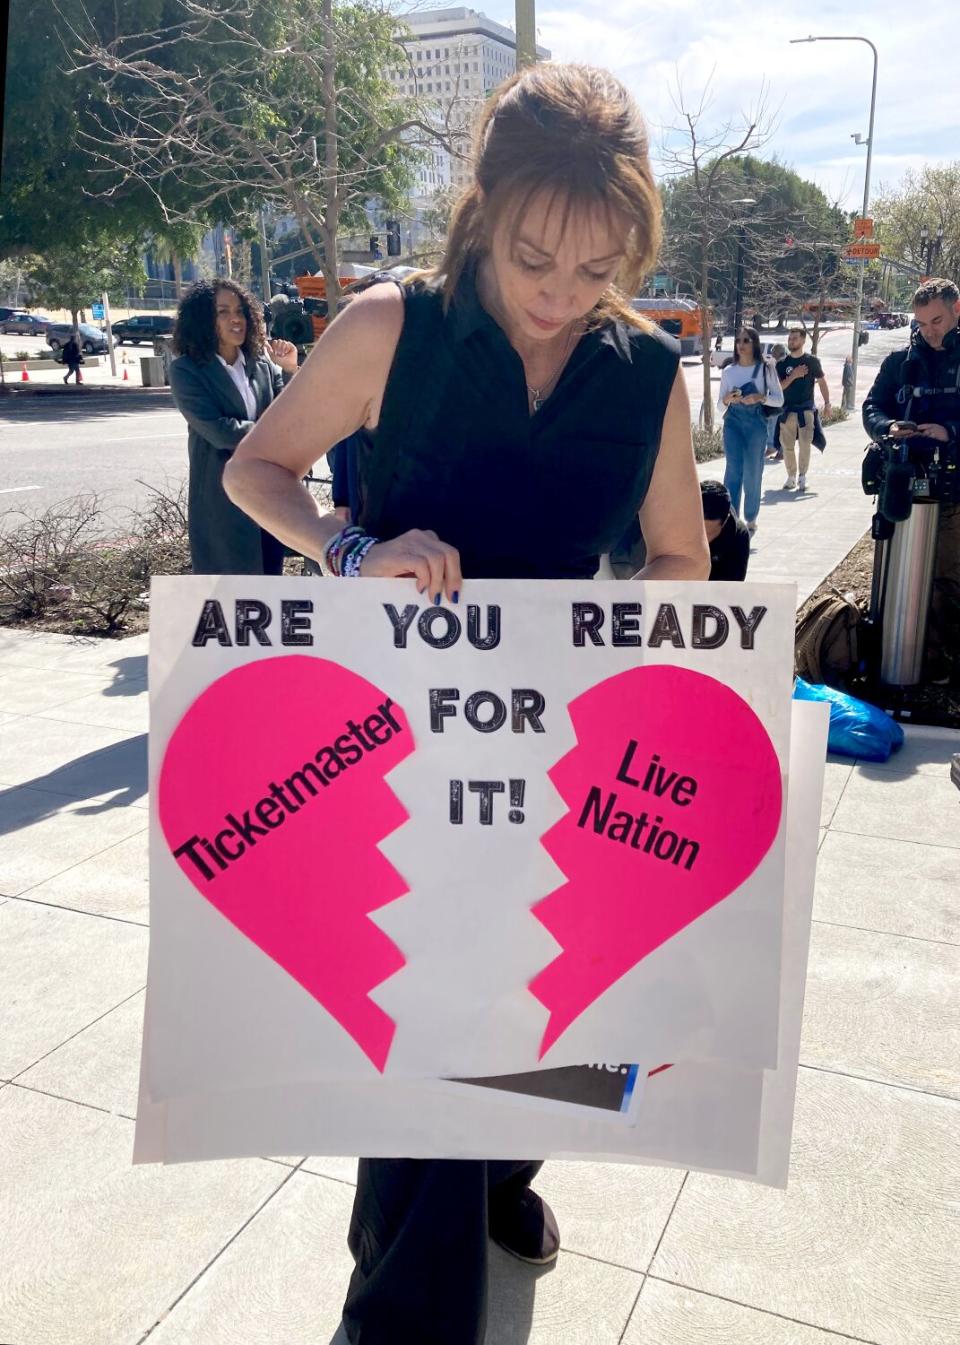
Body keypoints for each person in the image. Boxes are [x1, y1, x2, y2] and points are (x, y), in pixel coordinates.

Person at [222, 62, 709, 1345]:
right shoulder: (394, 326)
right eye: (535, 255)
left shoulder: (648, 372)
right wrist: (345, 549)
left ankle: (502, 1175)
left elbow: (680, 558)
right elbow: (256, 469)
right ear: (483, 210)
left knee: (549, 1005)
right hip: (397, 746)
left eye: (596, 270)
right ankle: (402, 1306)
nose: (559, 297)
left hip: (561, 749)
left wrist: (627, 633)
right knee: (426, 1024)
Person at [862, 276, 960, 681]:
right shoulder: (899, 362)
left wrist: (949, 432)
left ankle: (941, 664)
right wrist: (888, 428)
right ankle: (895, 657)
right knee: (897, 577)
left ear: (957, 310)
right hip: (901, 485)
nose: (929, 331)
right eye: (921, 323)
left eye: (936, 320)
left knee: (948, 578)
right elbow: (872, 407)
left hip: (953, 489)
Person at [169, 278, 299, 574]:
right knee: (230, 599)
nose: (236, 319)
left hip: (268, 497)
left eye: (240, 311)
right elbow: (221, 432)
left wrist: (290, 370)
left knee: (268, 592)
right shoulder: (186, 370)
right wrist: (272, 431)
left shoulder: (263, 365)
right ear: (203, 319)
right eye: (223, 312)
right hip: (221, 502)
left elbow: (291, 415)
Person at [718, 326, 783, 535]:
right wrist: (728, 399)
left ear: (755, 343)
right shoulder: (729, 371)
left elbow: (779, 399)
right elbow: (720, 406)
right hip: (733, 421)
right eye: (738, 341)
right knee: (733, 468)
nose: (741, 345)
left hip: (756, 422)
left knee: (753, 471)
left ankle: (751, 516)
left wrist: (760, 397)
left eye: (746, 341)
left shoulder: (765, 369)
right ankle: (732, 516)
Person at [775, 328, 830, 491]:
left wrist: (827, 403)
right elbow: (779, 388)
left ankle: (802, 477)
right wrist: (794, 376)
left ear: (803, 341)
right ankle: (791, 476)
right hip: (787, 411)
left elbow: (822, 381)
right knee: (787, 446)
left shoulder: (811, 361)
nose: (791, 341)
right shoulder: (782, 364)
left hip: (806, 409)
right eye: (790, 338)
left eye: (795, 338)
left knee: (805, 443)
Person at [701, 479, 750, 579]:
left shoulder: (738, 537)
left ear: (724, 523)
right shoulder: (673, 525)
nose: (700, 539)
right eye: (698, 530)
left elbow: (730, 588)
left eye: (708, 533)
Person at [765, 342, 786, 462]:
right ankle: (773, 447)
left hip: (782, 400)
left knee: (778, 426)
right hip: (775, 400)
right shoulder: (774, 364)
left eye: (774, 353)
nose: (772, 355)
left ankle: (778, 449)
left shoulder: (782, 364)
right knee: (774, 425)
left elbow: (780, 383)